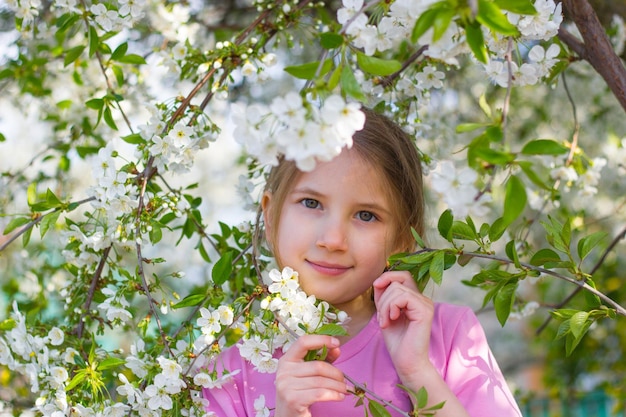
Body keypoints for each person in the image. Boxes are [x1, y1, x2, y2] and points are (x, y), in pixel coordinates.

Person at [203, 108, 523, 417]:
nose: (333, 239)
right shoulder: (227, 372)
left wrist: (418, 374)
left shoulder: (448, 336)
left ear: (402, 238)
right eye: (311, 203)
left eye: (366, 215)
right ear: (271, 217)